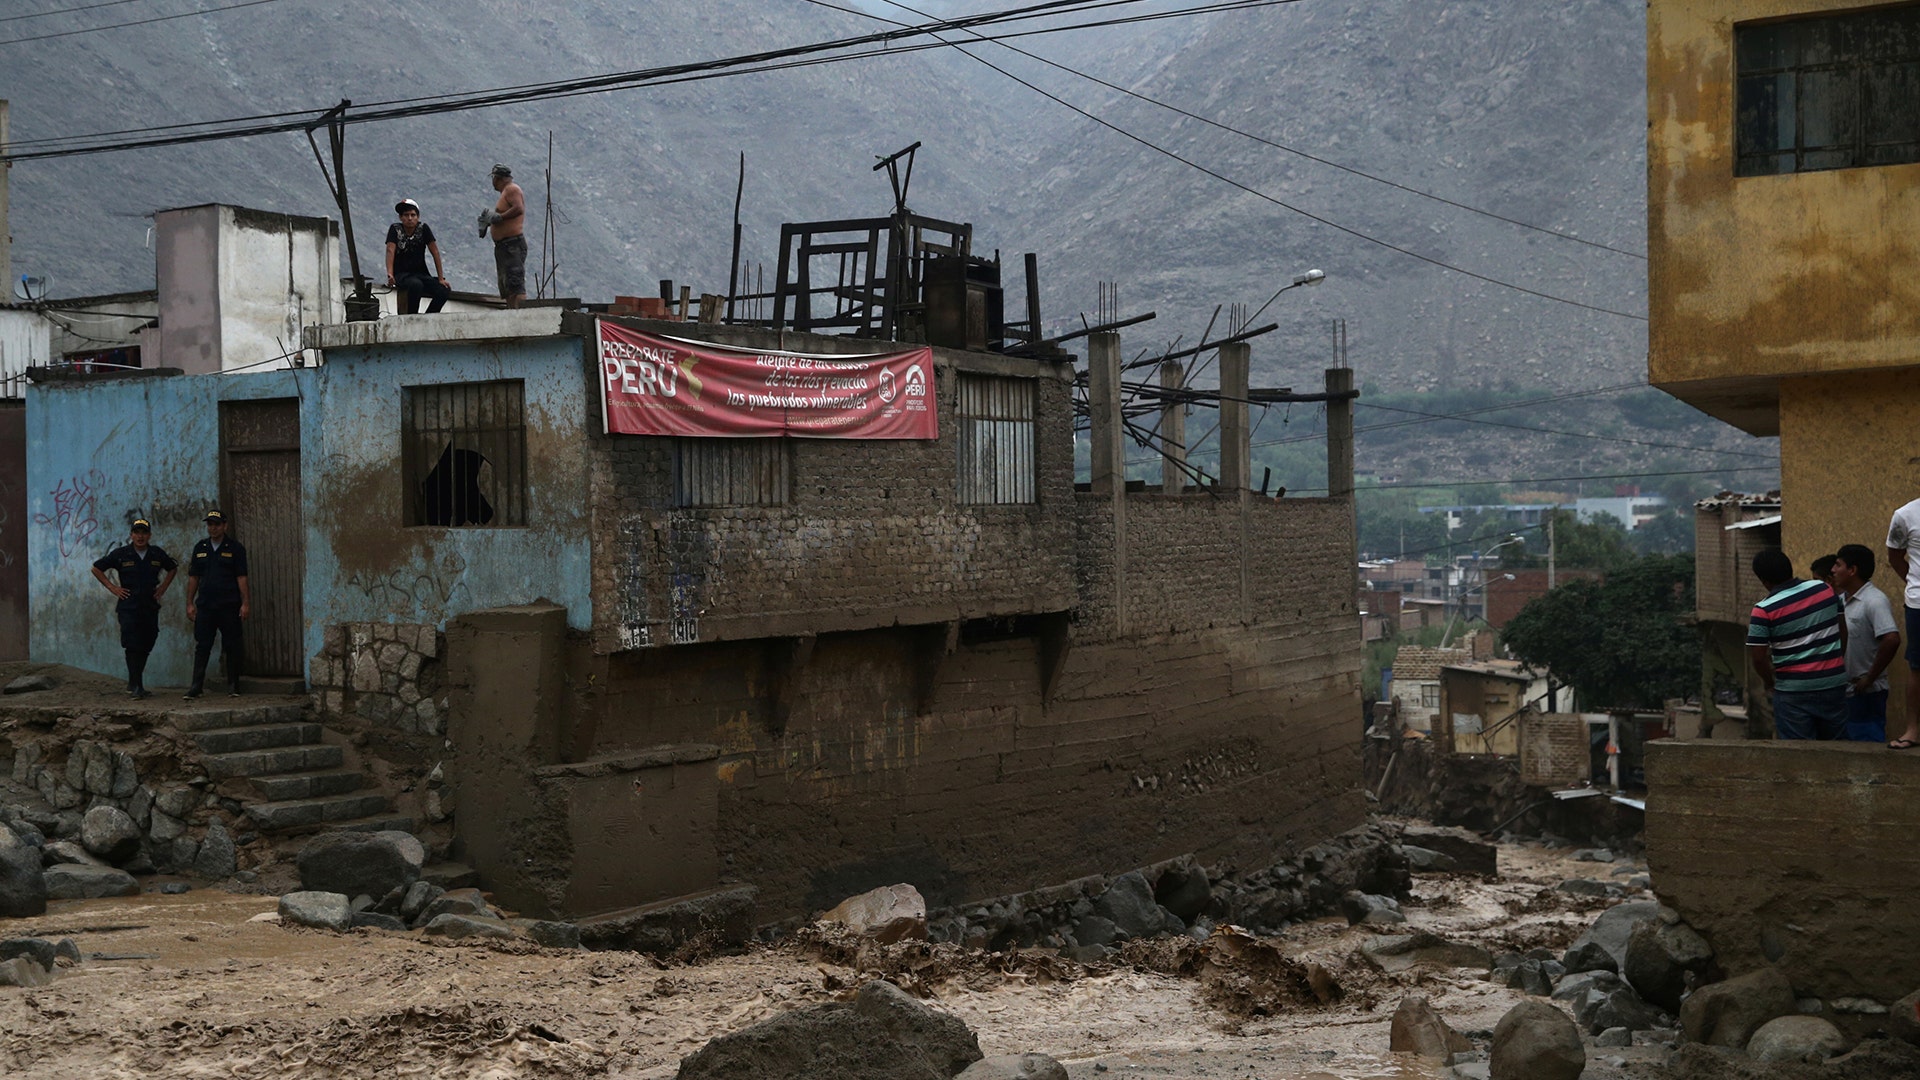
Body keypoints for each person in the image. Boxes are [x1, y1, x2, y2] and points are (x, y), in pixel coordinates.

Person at [1747, 547, 1848, 740]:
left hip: (1793, 693)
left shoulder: (1763, 610)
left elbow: (1758, 658)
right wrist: (1835, 663)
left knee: (1799, 756)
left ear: (1764, 581)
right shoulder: (1824, 589)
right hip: (1833, 685)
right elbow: (1842, 631)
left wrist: (1770, 683)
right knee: (1839, 749)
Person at [89, 518, 177, 699]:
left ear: (149, 535)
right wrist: (113, 588)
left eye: (144, 533)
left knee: (148, 642)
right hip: (129, 607)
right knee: (132, 643)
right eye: (137, 532)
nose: (140, 536)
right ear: (131, 535)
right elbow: (97, 568)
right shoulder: (122, 554)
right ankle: (137, 685)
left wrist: (162, 588)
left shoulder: (156, 554)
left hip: (150, 606)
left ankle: (134, 682)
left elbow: (172, 568)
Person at [1832, 544, 1900, 744]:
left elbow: (1892, 639)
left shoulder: (1874, 600)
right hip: (1846, 691)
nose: (1833, 570)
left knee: (1866, 746)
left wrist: (1869, 678)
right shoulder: (1840, 601)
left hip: (1866, 692)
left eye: (1838, 565)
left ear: (1852, 570)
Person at [184, 509, 249, 699]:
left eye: (217, 524)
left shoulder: (235, 549)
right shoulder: (200, 547)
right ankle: (196, 686)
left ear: (225, 526)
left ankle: (233, 685)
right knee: (202, 645)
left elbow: (242, 577)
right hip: (205, 606)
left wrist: (245, 603)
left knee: (232, 645)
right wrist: (189, 603)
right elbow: (194, 577)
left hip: (229, 606)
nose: (213, 528)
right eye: (210, 524)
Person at [1886, 497, 1920, 749]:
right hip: (1919, 604)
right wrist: (1913, 585)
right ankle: (1912, 730)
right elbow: (1895, 557)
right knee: (1918, 669)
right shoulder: (1905, 515)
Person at [384, 198, 450, 314]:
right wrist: (390, 274)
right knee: (416, 285)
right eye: (406, 215)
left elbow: (435, 252)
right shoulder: (395, 229)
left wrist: (440, 278)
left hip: (421, 274)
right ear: (401, 217)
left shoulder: (423, 229)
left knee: (444, 290)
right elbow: (390, 250)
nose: (410, 218)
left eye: (413, 215)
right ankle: (412, 316)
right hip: (402, 275)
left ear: (418, 217)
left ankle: (429, 317)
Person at [478, 164, 526, 308]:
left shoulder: (512, 189)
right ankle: (513, 313)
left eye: (493, 178)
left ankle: (521, 315)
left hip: (512, 245)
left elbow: (518, 208)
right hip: (504, 247)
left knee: (515, 283)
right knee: (508, 287)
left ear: (497, 178)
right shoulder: (505, 193)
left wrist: (500, 217)